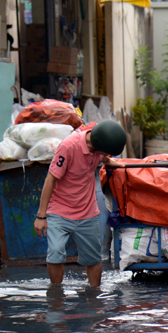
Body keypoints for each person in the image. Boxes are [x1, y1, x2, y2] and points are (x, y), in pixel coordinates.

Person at [34, 119, 127, 287]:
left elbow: (104, 153)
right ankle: (56, 296)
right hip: (60, 210)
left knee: (93, 258)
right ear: (98, 146)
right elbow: (50, 180)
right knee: (55, 253)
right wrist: (41, 216)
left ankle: (94, 297)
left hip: (87, 211)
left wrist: (111, 162)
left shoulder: (97, 136)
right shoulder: (68, 147)